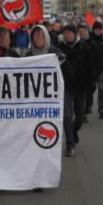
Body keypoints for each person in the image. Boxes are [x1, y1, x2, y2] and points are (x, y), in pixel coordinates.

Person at [29, 24, 74, 155]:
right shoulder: (29, 55)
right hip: (39, 93)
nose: (38, 38)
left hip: (59, 90)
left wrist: (70, 90)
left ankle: (70, 144)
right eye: (35, 35)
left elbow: (68, 72)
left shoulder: (56, 53)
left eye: (41, 35)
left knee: (66, 116)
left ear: (46, 36)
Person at [56, 25, 91, 156]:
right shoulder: (58, 48)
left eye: (70, 33)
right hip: (65, 87)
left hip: (80, 86)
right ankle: (70, 144)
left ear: (75, 34)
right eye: (65, 33)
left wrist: (90, 84)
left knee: (80, 117)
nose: (67, 35)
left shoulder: (83, 47)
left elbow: (90, 67)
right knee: (67, 116)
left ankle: (74, 131)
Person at [89, 21, 103, 119]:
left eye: (99, 29)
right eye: (96, 29)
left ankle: (102, 108)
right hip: (91, 70)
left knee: (101, 89)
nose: (98, 31)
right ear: (93, 30)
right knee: (91, 89)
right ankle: (88, 106)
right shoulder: (89, 41)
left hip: (101, 69)